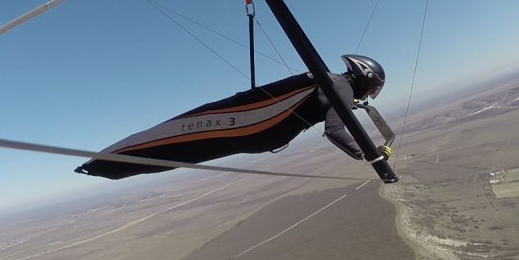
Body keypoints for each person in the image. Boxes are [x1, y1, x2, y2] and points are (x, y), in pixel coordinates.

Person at [76, 54, 395, 180]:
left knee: (180, 140)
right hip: (254, 128)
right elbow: (336, 129)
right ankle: (105, 165)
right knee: (184, 146)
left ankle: (104, 165)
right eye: (370, 90)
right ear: (364, 79)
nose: (367, 97)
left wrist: (368, 151)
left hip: (251, 125)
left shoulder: (334, 84)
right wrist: (368, 153)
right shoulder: (338, 87)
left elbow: (334, 124)